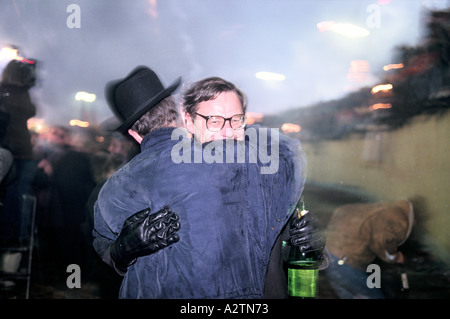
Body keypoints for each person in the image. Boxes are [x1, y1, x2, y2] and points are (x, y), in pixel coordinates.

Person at [93, 66, 318, 298]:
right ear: (187, 123)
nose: (228, 132)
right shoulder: (146, 184)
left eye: (236, 120)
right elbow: (108, 253)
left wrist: (312, 243)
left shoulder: (266, 174)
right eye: (214, 121)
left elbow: (293, 247)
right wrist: (123, 249)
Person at [323, 198, 414, 299]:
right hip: (345, 261)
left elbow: (339, 212)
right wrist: (396, 257)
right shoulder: (399, 219)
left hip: (328, 256)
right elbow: (382, 239)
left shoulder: (372, 208)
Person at [0, 59, 38, 245]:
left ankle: (7, 236)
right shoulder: (23, 94)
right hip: (24, 152)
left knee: (7, 194)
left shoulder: (3, 93)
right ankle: (20, 238)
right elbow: (31, 110)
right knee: (21, 196)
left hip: (7, 150)